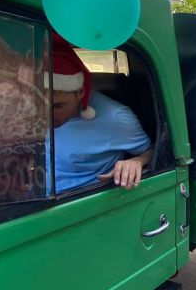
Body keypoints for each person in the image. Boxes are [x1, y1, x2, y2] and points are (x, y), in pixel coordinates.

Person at [51, 37, 152, 192]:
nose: (47, 115)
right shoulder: (35, 109)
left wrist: (136, 161)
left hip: (74, 203)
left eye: (57, 106)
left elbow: (150, 151)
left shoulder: (116, 117)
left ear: (80, 92)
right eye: (41, 104)